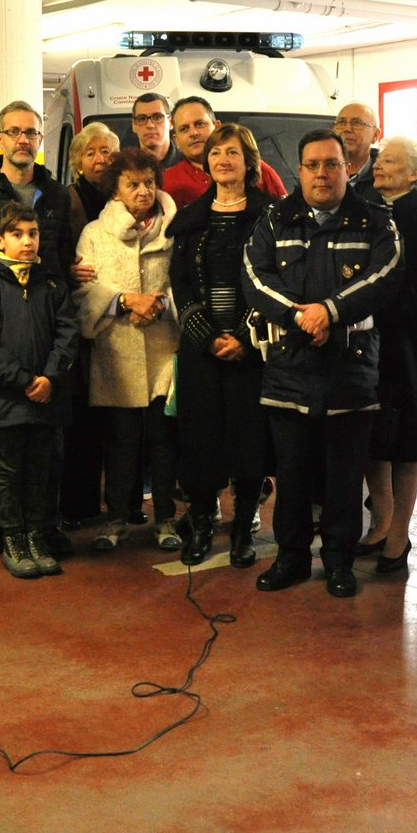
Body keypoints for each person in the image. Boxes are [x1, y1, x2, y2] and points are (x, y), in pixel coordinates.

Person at [243, 129, 401, 598]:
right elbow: (254, 276)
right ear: (299, 170)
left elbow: (386, 275)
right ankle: (290, 560)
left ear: (347, 168)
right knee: (290, 474)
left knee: (344, 477)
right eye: (312, 165)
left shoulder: (375, 221)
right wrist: (300, 316)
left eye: (331, 164)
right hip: (289, 367)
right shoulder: (274, 220)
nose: (321, 173)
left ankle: (338, 563)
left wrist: (330, 311)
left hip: (350, 370)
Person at [0, 101, 75, 558]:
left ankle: (44, 527)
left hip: (47, 322)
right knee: (0, 456)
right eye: (13, 132)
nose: (23, 139)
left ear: (40, 140)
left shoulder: (58, 194)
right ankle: (0, 528)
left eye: (31, 132)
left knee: (48, 454)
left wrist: (51, 372)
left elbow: (63, 258)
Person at [168, 124, 275, 568]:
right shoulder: (192, 218)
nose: (223, 160)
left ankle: (244, 530)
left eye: (232, 153)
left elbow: (274, 281)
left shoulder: (272, 215)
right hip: (202, 350)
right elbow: (180, 283)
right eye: (216, 154)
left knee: (249, 443)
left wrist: (244, 339)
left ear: (249, 162)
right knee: (200, 443)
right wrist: (209, 338)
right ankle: (201, 527)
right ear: (206, 163)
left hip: (252, 350)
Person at [75, 147, 182, 552]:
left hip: (162, 350)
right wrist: (122, 301)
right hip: (116, 353)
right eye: (132, 184)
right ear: (116, 191)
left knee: (163, 439)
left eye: (149, 182)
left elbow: (184, 279)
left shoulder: (173, 228)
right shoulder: (94, 233)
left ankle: (167, 519)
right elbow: (82, 289)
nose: (143, 191)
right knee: (119, 441)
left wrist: (159, 303)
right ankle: (116, 518)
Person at [0, 203, 80, 578]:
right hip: (5, 400)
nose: (27, 242)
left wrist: (49, 378)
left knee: (42, 469)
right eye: (17, 235)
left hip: (47, 397)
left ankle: (38, 534)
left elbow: (67, 335)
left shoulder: (52, 285)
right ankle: (12, 537)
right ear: (0, 241)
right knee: (8, 471)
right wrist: (23, 380)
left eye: (32, 234)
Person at [356, 136, 417, 576]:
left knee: (407, 435)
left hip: (409, 337)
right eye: (380, 159)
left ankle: (399, 535)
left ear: (415, 172)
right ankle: (379, 523)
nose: (379, 166)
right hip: (364, 336)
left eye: (390, 161)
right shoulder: (362, 209)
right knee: (371, 431)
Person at [59, 121, 120, 529]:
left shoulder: (125, 197)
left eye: (108, 152)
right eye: (92, 152)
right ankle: (79, 504)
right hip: (83, 317)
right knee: (82, 416)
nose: (101, 160)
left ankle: (118, 501)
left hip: (121, 320)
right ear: (77, 161)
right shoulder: (68, 201)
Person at [161, 96, 288, 207]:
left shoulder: (258, 169)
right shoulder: (167, 182)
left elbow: (286, 218)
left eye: (199, 124)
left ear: (217, 127)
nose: (193, 133)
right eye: (184, 129)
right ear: (176, 140)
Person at [334, 103, 382, 202]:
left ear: (375, 136)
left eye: (357, 123)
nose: (347, 129)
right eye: (341, 122)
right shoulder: (319, 171)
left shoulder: (386, 177)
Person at [129, 93, 173, 164]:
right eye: (142, 119)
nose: (150, 125)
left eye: (157, 117)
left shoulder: (190, 162)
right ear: (134, 125)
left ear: (171, 122)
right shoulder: (123, 167)